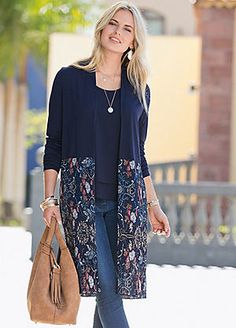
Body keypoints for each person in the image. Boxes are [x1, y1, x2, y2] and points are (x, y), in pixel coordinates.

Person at [41, 1, 171, 327]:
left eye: (127, 28)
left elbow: (139, 153)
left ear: (134, 40)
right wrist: (49, 198)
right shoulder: (69, 79)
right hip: (81, 202)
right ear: (101, 28)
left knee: (109, 292)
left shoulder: (139, 89)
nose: (118, 32)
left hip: (127, 204)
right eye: (113, 24)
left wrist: (153, 205)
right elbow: (53, 143)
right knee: (108, 290)